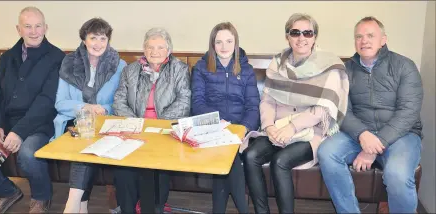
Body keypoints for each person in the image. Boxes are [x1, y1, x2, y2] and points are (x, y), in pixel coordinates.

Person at [241, 13, 349, 213]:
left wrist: (292, 128)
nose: (301, 38)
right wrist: (269, 126)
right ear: (287, 37)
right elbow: (267, 100)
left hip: (309, 131)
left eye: (307, 33)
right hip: (278, 128)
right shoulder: (278, 63)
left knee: (280, 161)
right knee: (250, 155)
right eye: (295, 32)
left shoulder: (329, 65)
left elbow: (323, 109)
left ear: (314, 37)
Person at [317, 16, 424, 213]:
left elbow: (408, 112)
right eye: (359, 36)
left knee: (397, 175)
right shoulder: (346, 69)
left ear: (383, 39)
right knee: (326, 152)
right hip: (358, 134)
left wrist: (373, 146)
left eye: (370, 35)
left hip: (401, 135)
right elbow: (341, 110)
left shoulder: (404, 66)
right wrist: (362, 135)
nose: (364, 40)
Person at [0, 6, 65, 213]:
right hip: (5, 120)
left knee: (28, 153)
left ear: (45, 27)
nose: (34, 31)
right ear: (19, 29)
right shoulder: (7, 57)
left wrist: (19, 132)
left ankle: (42, 198)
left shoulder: (57, 58)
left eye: (38, 26)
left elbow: (47, 100)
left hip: (39, 123)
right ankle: (6, 192)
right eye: (27, 26)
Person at [51, 17, 127, 213]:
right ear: (84, 39)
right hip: (72, 124)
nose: (98, 43)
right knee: (85, 142)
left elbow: (120, 101)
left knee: (89, 144)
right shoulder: (68, 63)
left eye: (103, 38)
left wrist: (104, 109)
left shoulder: (119, 65)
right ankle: (78, 205)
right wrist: (86, 107)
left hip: (105, 124)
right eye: (93, 37)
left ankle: (74, 205)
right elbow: (60, 103)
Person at [112, 27, 191, 213]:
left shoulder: (179, 70)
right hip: (134, 129)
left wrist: (156, 125)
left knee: (157, 165)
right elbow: (119, 100)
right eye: (150, 47)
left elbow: (184, 102)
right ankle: (127, 208)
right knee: (123, 169)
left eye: (160, 47)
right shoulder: (130, 71)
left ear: (169, 50)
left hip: (164, 130)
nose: (154, 52)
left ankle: (154, 207)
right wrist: (137, 125)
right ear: (144, 49)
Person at [191, 22, 259, 213]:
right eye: (218, 42)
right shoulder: (202, 68)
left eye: (229, 41)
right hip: (212, 127)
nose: (224, 47)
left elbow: (253, 106)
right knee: (229, 155)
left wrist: (242, 130)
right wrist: (217, 124)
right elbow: (197, 103)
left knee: (228, 155)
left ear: (236, 43)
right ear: (212, 45)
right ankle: (243, 209)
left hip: (240, 130)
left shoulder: (246, 70)